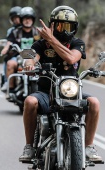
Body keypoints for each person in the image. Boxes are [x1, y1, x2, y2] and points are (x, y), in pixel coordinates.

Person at [19, 5, 102, 162]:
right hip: (46, 92)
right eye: (59, 25)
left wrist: (51, 39)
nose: (64, 30)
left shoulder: (78, 43)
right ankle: (29, 146)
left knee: (95, 103)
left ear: (75, 27)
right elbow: (31, 56)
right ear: (52, 25)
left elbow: (71, 58)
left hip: (70, 91)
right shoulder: (40, 44)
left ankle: (89, 146)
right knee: (30, 101)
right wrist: (29, 64)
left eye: (68, 26)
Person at [0, 6, 40, 92]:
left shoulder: (38, 32)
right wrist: (6, 48)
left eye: (29, 18)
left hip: (34, 57)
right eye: (25, 18)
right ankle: (10, 87)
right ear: (21, 20)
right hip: (19, 56)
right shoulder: (15, 32)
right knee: (10, 63)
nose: (27, 20)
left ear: (33, 20)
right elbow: (9, 42)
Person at [0, 6, 22, 86]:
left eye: (18, 18)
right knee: (8, 61)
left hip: (28, 55)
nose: (16, 20)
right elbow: (9, 41)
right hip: (16, 54)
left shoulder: (30, 29)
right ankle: (7, 81)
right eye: (14, 18)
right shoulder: (12, 31)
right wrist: (6, 48)